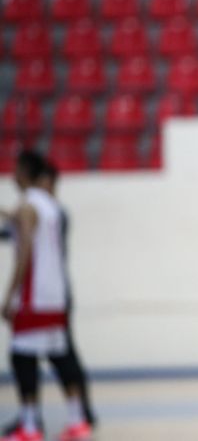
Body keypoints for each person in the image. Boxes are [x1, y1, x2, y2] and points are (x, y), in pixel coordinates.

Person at [1, 151, 93, 441]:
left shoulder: (28, 205)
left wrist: (9, 295)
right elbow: (22, 220)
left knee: (21, 357)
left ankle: (29, 427)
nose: (13, 175)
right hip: (56, 295)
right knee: (61, 356)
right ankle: (78, 420)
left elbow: (25, 252)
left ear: (24, 172)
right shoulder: (51, 205)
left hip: (34, 296)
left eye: (16, 169)